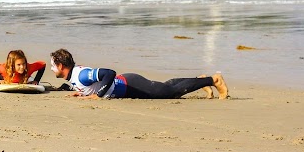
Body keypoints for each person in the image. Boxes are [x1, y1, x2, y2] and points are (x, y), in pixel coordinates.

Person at [49, 48, 229, 99]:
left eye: (53, 66)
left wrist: (98, 96)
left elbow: (109, 73)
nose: (51, 69)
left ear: (60, 64)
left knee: (169, 92)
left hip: (130, 84)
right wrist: (83, 93)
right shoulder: (74, 77)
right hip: (128, 86)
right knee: (166, 86)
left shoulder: (81, 74)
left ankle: (213, 80)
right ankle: (200, 80)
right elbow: (93, 85)